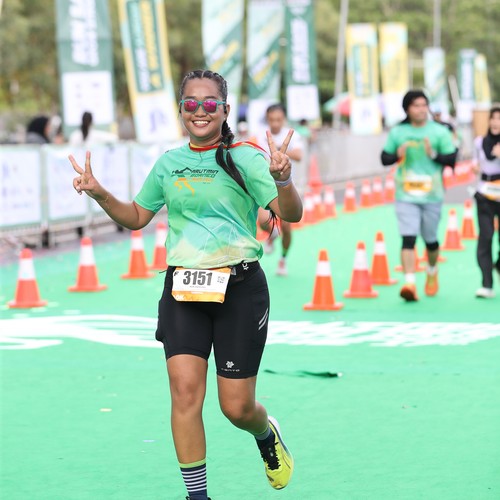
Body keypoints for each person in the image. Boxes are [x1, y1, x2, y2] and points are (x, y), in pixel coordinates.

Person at [69, 69, 302, 500]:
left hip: (239, 290)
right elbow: (136, 216)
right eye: (191, 103)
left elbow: (291, 214)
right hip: (183, 290)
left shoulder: (246, 158)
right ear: (180, 110)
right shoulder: (168, 163)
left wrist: (283, 178)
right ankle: (198, 497)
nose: (200, 111)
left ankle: (266, 434)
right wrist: (100, 193)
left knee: (236, 407)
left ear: (225, 110)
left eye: (210, 103)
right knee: (184, 394)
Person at [381, 89, 457, 302]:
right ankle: (410, 283)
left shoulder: (439, 131)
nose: (421, 109)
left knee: (430, 240)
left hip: (432, 194)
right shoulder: (398, 132)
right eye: (416, 105)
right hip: (405, 194)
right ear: (407, 109)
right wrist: (397, 154)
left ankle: (431, 270)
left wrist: (433, 153)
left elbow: (452, 159)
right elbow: (384, 158)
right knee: (408, 238)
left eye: (424, 105)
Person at [257, 103, 304, 276]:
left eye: (278, 119)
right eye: (272, 120)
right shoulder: (260, 135)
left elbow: (299, 155)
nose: (275, 123)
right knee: (263, 221)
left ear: (283, 119)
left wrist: (279, 153)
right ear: (267, 119)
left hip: (286, 186)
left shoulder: (291, 135)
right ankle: (272, 235)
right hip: (266, 185)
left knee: (287, 228)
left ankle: (283, 259)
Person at [472, 106, 500, 298]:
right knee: (486, 236)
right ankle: (486, 284)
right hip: (484, 193)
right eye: (493, 118)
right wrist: (475, 168)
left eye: (499, 119)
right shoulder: (479, 142)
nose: (496, 122)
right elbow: (476, 162)